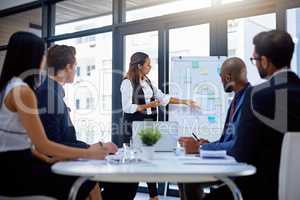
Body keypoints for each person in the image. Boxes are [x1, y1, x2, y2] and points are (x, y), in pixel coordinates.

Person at [0, 32, 109, 200]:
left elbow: (16, 140)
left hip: (9, 166)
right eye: (42, 54)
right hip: (16, 173)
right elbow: (42, 143)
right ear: (32, 55)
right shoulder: (23, 91)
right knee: (88, 182)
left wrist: (44, 158)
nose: (45, 60)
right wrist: (89, 153)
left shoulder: (8, 86)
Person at [205, 30, 300, 200]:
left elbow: (240, 154)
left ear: (264, 61)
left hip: (259, 190)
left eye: (255, 59)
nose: (255, 64)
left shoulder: (257, 96)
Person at [36, 44, 138, 200]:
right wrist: (92, 148)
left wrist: (96, 148)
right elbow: (52, 143)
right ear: (68, 67)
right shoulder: (48, 94)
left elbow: (63, 139)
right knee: (126, 180)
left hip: (67, 160)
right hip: (57, 168)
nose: (76, 70)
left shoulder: (52, 91)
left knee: (125, 178)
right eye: (75, 66)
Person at [120, 52, 198, 200]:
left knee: (149, 159)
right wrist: (148, 104)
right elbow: (126, 107)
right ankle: (130, 195)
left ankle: (154, 196)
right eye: (148, 64)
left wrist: (185, 101)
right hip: (133, 126)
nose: (150, 67)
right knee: (135, 163)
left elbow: (163, 98)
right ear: (139, 66)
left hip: (148, 124)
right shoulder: (127, 82)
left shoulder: (148, 82)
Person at [178, 57, 251, 200]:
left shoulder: (249, 100)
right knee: (184, 176)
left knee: (188, 178)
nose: (221, 82)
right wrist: (206, 144)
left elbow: (238, 144)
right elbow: (228, 139)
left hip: (237, 169)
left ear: (228, 77)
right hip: (228, 163)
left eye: (221, 78)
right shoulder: (237, 99)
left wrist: (200, 148)